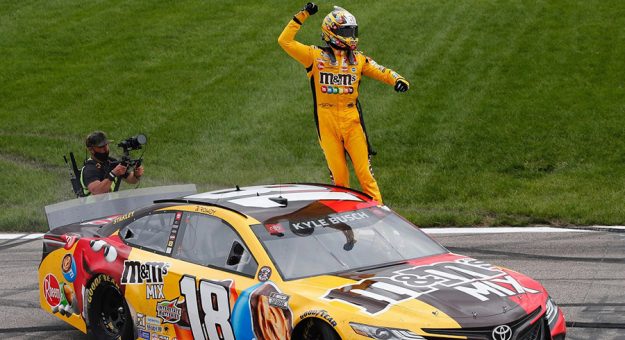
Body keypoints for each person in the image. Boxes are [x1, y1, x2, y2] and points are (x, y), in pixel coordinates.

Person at [278, 3, 410, 204]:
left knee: (365, 175)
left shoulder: (358, 59)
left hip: (352, 122)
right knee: (340, 181)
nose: (351, 36)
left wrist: (398, 79)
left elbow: (381, 69)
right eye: (346, 31)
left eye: (352, 31)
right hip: (327, 124)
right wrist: (303, 15)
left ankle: (380, 214)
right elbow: (285, 41)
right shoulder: (314, 56)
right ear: (331, 31)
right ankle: (344, 223)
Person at [80, 131, 144, 196]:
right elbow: (97, 191)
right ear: (91, 150)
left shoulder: (111, 161)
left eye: (106, 145)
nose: (106, 149)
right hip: (93, 206)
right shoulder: (89, 169)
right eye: (101, 147)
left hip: (111, 204)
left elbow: (131, 180)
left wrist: (136, 175)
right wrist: (113, 174)